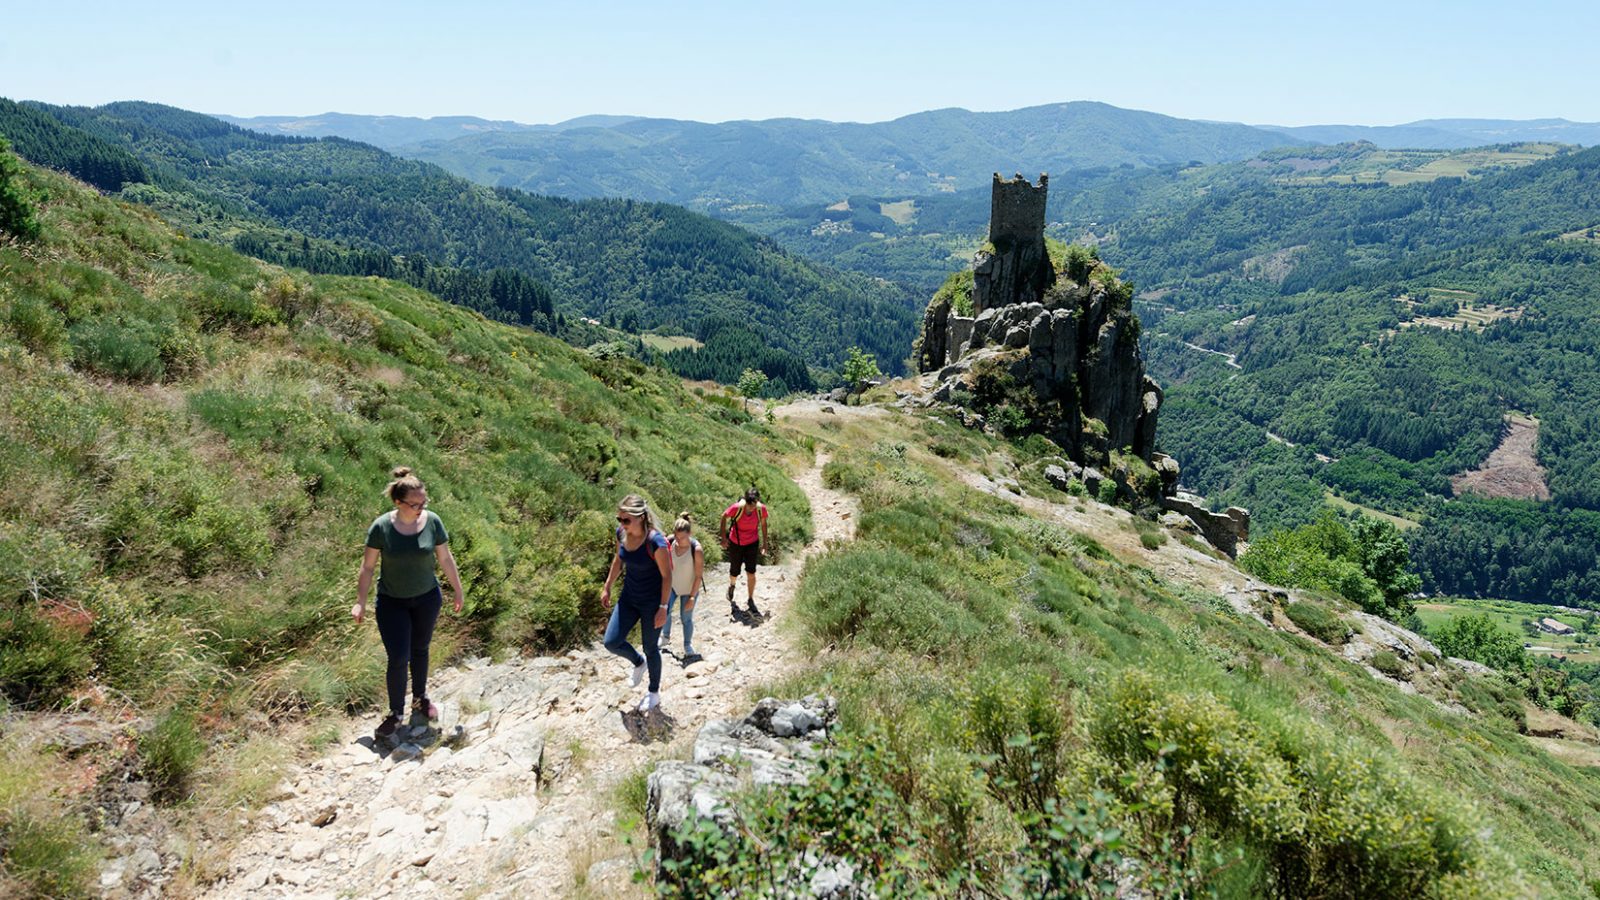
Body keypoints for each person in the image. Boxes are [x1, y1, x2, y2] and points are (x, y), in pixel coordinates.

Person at [354, 467, 464, 740]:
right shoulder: (381, 527)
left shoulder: (433, 522)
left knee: (420, 649)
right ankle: (395, 714)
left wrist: (458, 591)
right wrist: (360, 602)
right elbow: (367, 568)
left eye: (423, 502)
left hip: (427, 598)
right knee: (399, 657)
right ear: (398, 502)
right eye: (414, 504)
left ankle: (420, 698)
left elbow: (446, 558)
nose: (420, 508)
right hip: (392, 602)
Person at [600, 494, 672, 711]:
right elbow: (618, 559)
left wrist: (663, 608)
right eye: (619, 519)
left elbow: (667, 576)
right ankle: (637, 662)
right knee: (611, 642)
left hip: (652, 603)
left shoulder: (655, 542)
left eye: (626, 520)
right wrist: (607, 586)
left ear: (640, 517)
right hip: (629, 598)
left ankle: (653, 693)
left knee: (651, 647)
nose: (622, 524)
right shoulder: (621, 533)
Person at [660, 512, 705, 662]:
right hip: (672, 585)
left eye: (683, 537)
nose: (679, 540)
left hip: (689, 587)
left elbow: (698, 576)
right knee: (664, 610)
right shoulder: (670, 542)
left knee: (686, 618)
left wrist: (692, 597)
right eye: (677, 537)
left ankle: (687, 645)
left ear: (690, 533)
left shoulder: (696, 549)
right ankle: (665, 637)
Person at [720, 486, 770, 618]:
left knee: (751, 571)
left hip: (752, 542)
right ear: (746, 501)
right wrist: (724, 538)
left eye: (753, 505)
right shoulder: (737, 508)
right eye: (749, 505)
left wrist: (765, 543)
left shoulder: (761, 509)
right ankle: (732, 585)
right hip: (736, 542)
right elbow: (724, 516)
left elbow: (764, 525)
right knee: (734, 570)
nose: (751, 508)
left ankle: (750, 599)